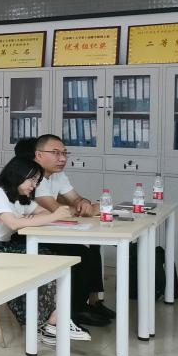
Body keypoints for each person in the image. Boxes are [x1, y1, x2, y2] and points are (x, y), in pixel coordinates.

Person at [0, 156, 91, 346]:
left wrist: (39, 216)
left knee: (53, 261)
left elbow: (42, 212)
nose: (34, 185)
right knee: (43, 262)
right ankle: (48, 323)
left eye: (37, 181)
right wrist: (52, 217)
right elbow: (13, 224)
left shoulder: (19, 196)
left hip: (2, 246)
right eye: (32, 180)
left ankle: (53, 320)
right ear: (18, 175)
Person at [24, 135, 114, 326]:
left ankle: (93, 302)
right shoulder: (32, 176)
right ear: (38, 155)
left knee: (93, 247)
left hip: (49, 228)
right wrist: (85, 209)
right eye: (56, 153)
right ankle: (75, 309)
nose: (62, 158)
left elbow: (75, 199)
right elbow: (56, 210)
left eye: (64, 153)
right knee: (81, 253)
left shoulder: (58, 174)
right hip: (29, 233)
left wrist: (84, 203)